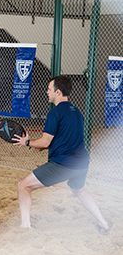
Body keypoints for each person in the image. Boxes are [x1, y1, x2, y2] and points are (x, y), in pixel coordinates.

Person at [13, 76, 109, 231]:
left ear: (58, 92)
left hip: (63, 165)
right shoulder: (76, 112)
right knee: (79, 190)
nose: (47, 92)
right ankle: (103, 222)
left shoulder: (54, 113)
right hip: (82, 164)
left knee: (23, 186)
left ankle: (25, 226)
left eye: (49, 89)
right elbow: (62, 139)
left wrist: (28, 142)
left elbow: (45, 142)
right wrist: (41, 146)